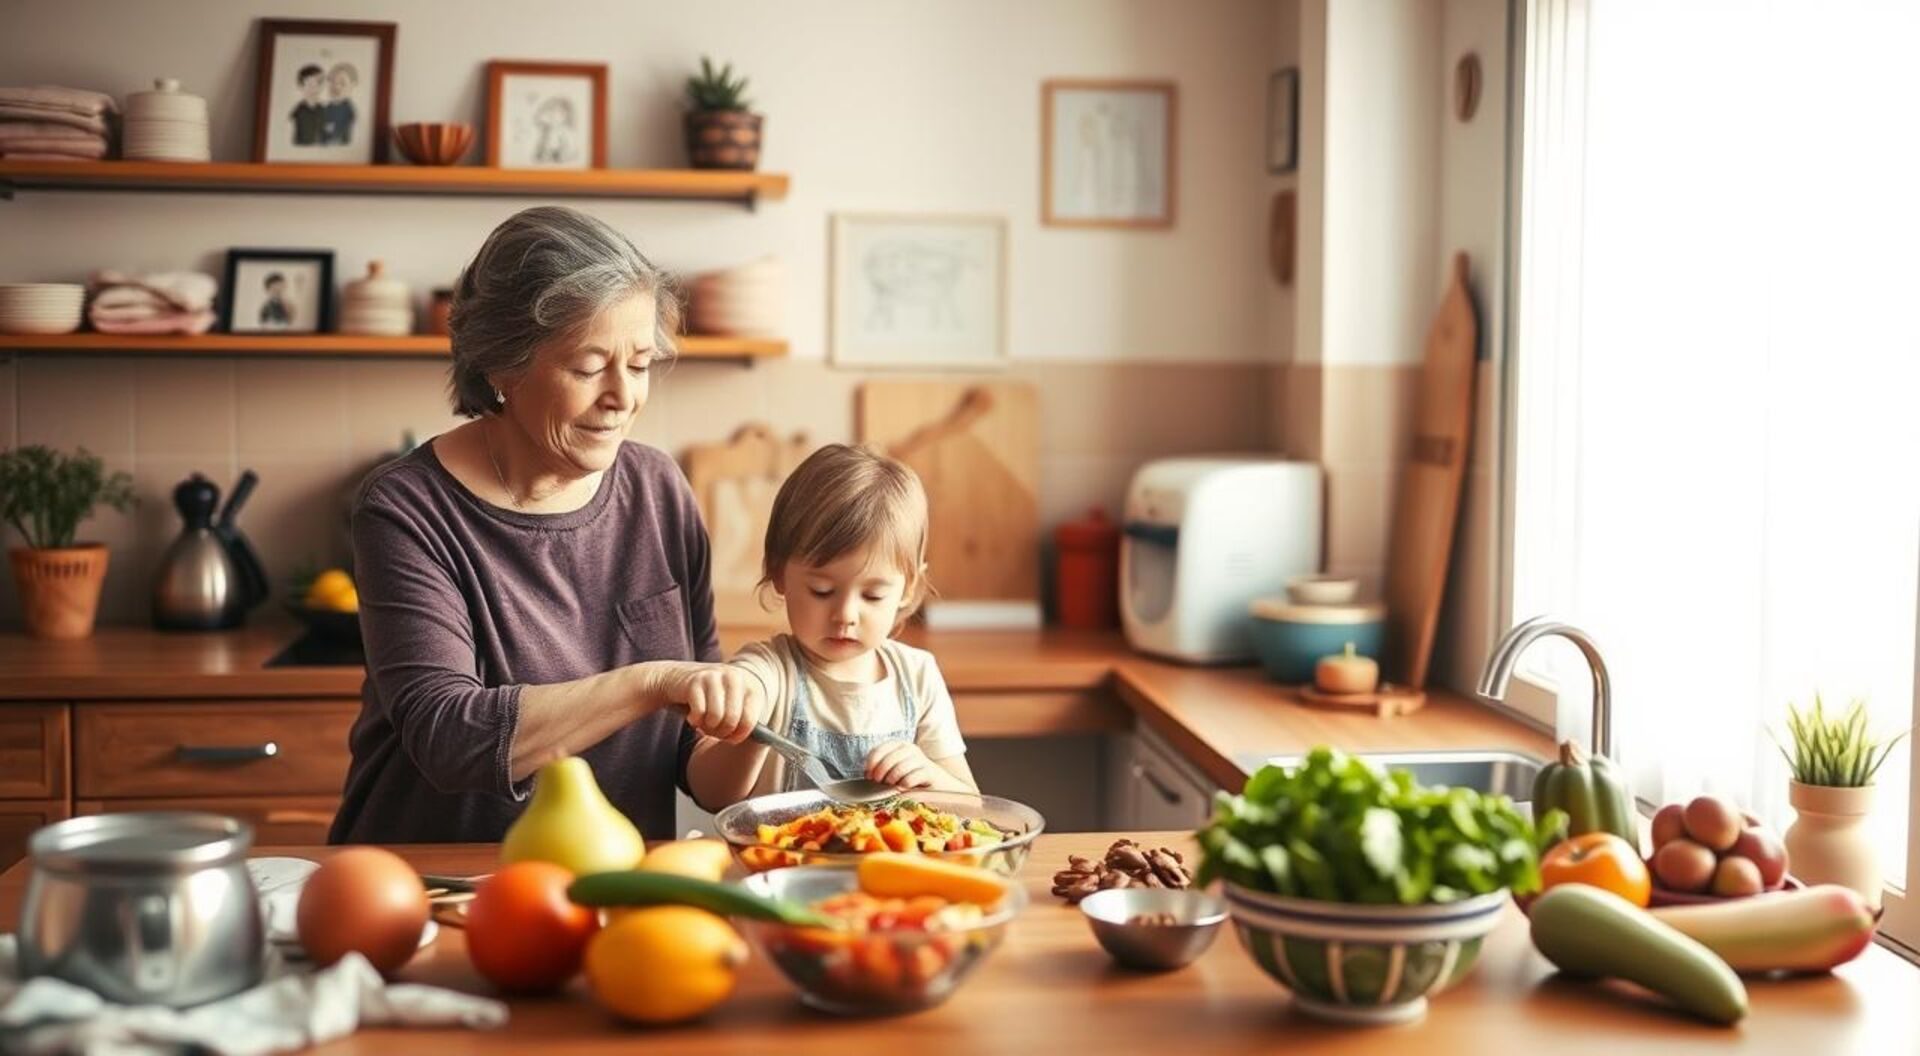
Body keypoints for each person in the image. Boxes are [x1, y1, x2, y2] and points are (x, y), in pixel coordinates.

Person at [329, 205, 761, 844]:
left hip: (605, 886)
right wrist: (653, 682)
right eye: (588, 368)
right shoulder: (407, 508)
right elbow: (449, 738)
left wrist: (748, 719)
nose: (622, 396)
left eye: (640, 365)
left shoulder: (659, 489)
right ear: (503, 365)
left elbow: (696, 768)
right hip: (432, 880)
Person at [683, 443, 978, 808]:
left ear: (908, 588)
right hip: (782, 862)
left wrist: (930, 777)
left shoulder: (917, 676)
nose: (846, 615)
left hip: (887, 865)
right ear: (778, 574)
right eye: (822, 591)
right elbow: (710, 794)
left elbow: (972, 806)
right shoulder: (768, 671)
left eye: (873, 596)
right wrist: (746, 728)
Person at [289, 64, 327, 146]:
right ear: (301, 86)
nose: (315, 88)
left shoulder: (323, 110)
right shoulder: (298, 110)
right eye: (310, 84)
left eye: (319, 83)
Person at [321, 62, 358, 145]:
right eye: (332, 82)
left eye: (342, 83)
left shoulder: (348, 110)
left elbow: (341, 135)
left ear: (352, 85)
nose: (336, 87)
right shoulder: (326, 108)